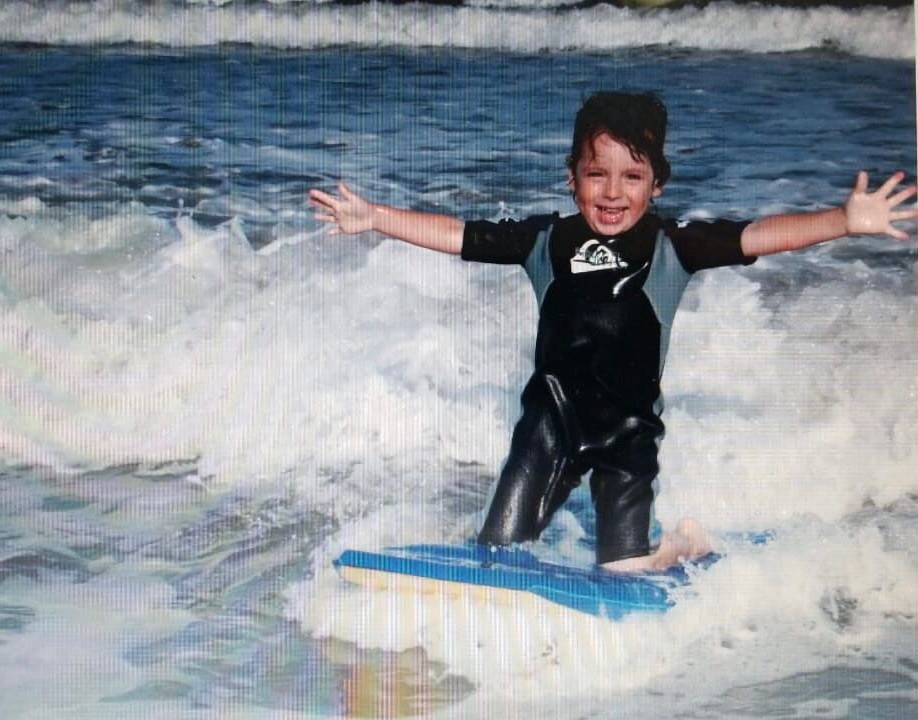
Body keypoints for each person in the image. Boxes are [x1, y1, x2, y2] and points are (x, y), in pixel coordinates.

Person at [308, 91, 917, 572]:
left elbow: (760, 235)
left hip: (627, 439)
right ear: (572, 176)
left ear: (657, 184)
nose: (613, 191)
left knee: (625, 571)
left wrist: (842, 220)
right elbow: (458, 235)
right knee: (494, 554)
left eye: (632, 176)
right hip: (548, 427)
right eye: (597, 173)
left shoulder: (676, 246)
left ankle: (683, 545)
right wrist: (377, 218)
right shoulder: (544, 240)